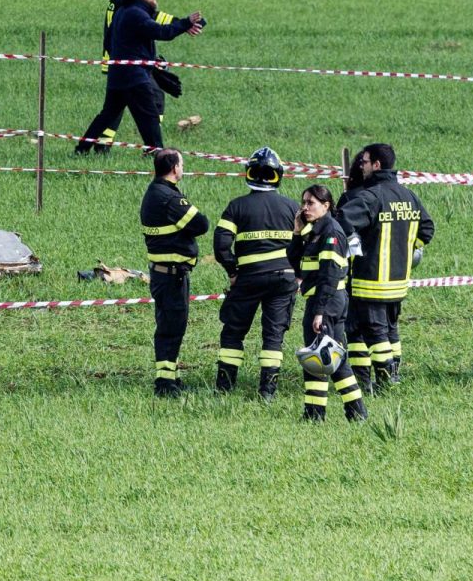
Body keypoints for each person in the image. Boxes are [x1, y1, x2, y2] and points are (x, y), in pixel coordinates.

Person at [336, 143, 434, 389]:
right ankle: (390, 375)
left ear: (377, 165)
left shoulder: (371, 197)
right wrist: (406, 249)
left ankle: (384, 383)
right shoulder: (409, 195)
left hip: (369, 281)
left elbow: (342, 221)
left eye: (365, 162)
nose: (362, 165)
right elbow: (427, 229)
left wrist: (352, 242)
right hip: (398, 282)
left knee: (373, 333)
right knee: (390, 331)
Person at [76, 0, 204, 156]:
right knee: (150, 116)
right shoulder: (136, 14)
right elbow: (161, 32)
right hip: (134, 77)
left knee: (107, 115)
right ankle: (157, 154)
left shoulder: (124, 11)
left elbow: (108, 41)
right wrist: (185, 23)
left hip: (117, 76)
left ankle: (81, 149)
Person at [212, 147, 300, 400]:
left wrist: (232, 271)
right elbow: (305, 243)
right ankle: (268, 392)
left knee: (233, 332)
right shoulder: (292, 207)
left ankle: (225, 388)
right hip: (284, 279)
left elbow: (220, 247)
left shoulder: (237, 207)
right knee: (273, 335)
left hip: (248, 279)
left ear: (249, 174)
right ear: (277, 175)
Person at [289, 184, 366, 423]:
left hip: (327, 302)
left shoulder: (331, 233)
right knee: (330, 357)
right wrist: (296, 232)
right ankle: (351, 412)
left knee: (321, 357)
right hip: (323, 301)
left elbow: (330, 275)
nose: (305, 207)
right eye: (303, 202)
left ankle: (318, 414)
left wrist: (319, 312)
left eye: (310, 203)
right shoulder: (314, 231)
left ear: (326, 205)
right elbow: (296, 262)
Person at [140, 148, 208, 397]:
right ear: (174, 168)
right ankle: (164, 384)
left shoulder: (156, 193)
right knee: (171, 327)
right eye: (181, 164)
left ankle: (171, 377)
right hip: (171, 275)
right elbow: (201, 224)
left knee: (172, 326)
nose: (183, 168)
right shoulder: (168, 197)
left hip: (167, 273)